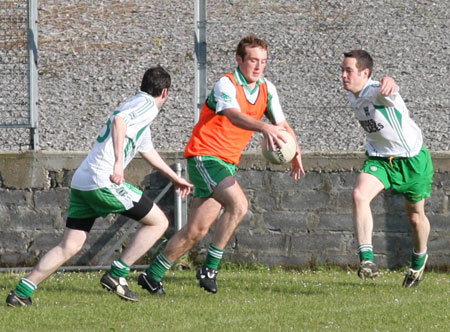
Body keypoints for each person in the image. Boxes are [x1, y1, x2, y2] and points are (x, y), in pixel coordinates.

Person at [6, 66, 193, 307]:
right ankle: (117, 275)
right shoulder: (147, 106)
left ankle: (21, 292)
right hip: (102, 180)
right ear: (165, 92)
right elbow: (119, 122)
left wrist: (174, 177)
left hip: (83, 180)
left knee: (69, 245)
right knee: (159, 222)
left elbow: (146, 149)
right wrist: (118, 164)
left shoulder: (134, 103)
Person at [136, 34, 305, 296]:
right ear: (239, 60)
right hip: (205, 156)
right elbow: (233, 115)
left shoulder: (267, 89)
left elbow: (281, 125)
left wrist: (295, 150)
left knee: (196, 231)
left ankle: (152, 275)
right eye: (253, 60)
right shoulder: (226, 84)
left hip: (226, 163)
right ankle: (210, 268)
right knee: (239, 205)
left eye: (263, 61)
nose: (258, 67)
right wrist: (264, 127)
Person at [340, 50, 434, 287]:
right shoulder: (354, 95)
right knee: (359, 195)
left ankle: (419, 259)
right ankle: (367, 260)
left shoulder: (376, 92)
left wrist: (390, 82)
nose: (343, 75)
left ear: (366, 73)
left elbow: (389, 90)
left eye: (348, 71)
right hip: (381, 159)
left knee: (415, 217)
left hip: (412, 160)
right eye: (342, 70)